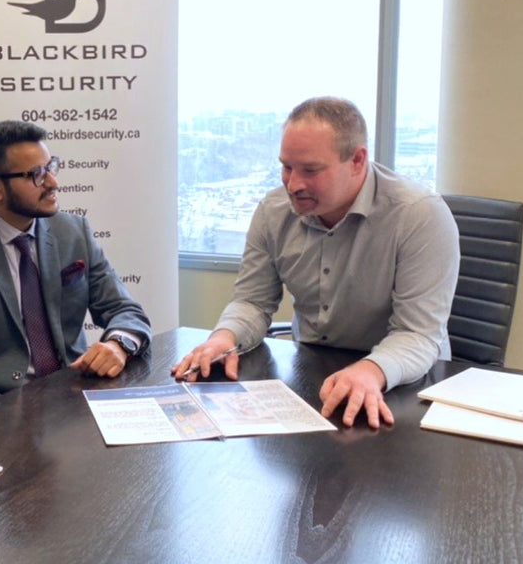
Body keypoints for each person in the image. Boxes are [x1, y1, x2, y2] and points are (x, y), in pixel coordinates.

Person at [172, 97, 459, 429]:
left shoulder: (419, 215)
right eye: (286, 167)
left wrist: (370, 371)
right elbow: (252, 300)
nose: (293, 185)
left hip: (403, 387)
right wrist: (224, 337)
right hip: (312, 376)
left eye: (310, 170)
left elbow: (417, 333)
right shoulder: (273, 210)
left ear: (357, 160)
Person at [0, 120, 152, 418]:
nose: (52, 182)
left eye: (51, 167)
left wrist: (119, 343)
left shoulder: (73, 232)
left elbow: (126, 310)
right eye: (36, 174)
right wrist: (8, 413)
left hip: (72, 403)